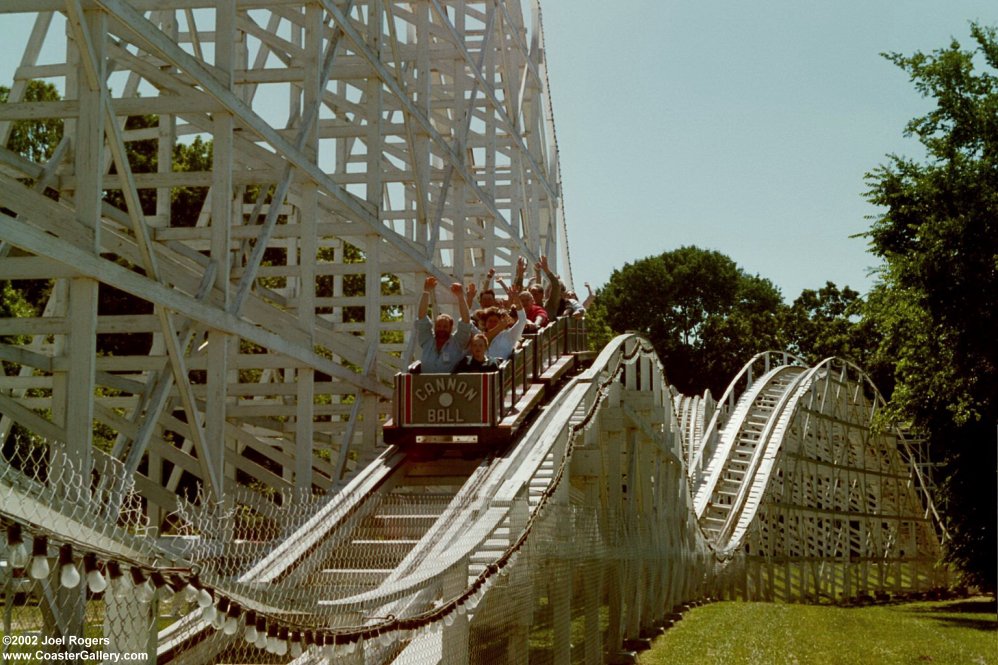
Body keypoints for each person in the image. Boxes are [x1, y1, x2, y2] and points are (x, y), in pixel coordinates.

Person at [414, 275, 473, 373]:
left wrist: (460, 296)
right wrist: (426, 291)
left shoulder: (457, 342)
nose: (441, 329)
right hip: (425, 385)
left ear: (451, 328)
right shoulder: (427, 340)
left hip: (452, 386)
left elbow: (466, 322)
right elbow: (421, 317)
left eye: (445, 326)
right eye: (439, 326)